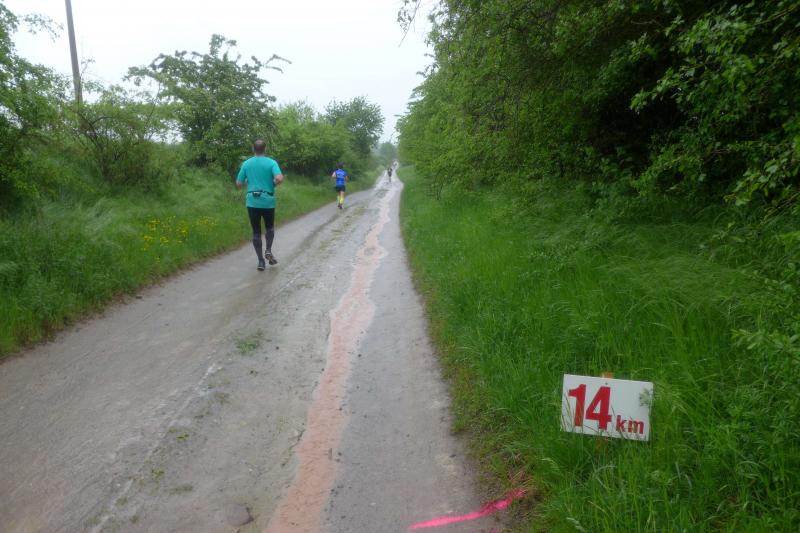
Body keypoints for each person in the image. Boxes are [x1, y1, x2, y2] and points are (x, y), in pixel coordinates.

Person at [236, 139, 284, 270]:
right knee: (269, 228)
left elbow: (238, 183)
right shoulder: (271, 163)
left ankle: (261, 261)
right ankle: (268, 250)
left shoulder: (246, 163)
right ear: (265, 149)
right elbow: (279, 178)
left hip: (252, 201)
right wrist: (273, 183)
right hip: (268, 201)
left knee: (256, 232)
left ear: (253, 149)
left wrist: (247, 182)